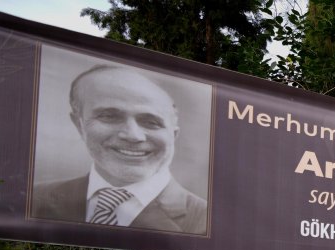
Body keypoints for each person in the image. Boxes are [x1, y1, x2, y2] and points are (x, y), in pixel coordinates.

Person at [33, 64, 207, 234]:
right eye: (110, 116)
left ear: (173, 135)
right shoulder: (32, 199)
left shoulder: (205, 221)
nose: (133, 136)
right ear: (79, 124)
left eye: (151, 122)